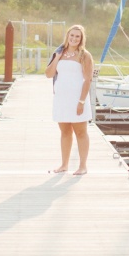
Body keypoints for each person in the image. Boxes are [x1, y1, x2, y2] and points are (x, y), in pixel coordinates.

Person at [44, 24, 93, 176]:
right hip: (61, 99)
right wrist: (57, 58)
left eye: (77, 36)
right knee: (65, 132)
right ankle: (64, 165)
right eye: (72, 35)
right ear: (67, 36)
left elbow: (88, 80)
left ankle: (83, 166)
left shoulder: (84, 55)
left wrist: (81, 102)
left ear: (81, 39)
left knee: (81, 132)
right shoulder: (59, 53)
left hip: (78, 99)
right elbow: (49, 74)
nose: (74, 38)